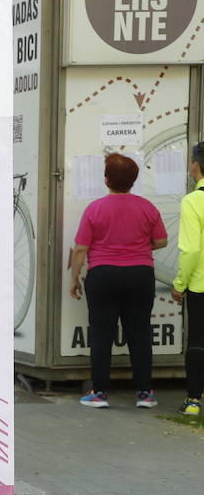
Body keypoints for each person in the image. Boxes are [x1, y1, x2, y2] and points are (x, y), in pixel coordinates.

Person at [68, 154, 167, 408]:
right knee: (140, 332)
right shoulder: (147, 208)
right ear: (133, 181)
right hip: (140, 275)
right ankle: (145, 394)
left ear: (107, 179)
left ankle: (99, 393)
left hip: (103, 275)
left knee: (102, 333)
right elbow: (161, 241)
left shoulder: (95, 208)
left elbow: (81, 248)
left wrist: (74, 279)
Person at [171, 142, 204, 416]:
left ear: (197, 165)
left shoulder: (193, 201)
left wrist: (179, 285)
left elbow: (191, 249)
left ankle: (194, 401)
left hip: (200, 285)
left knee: (197, 342)